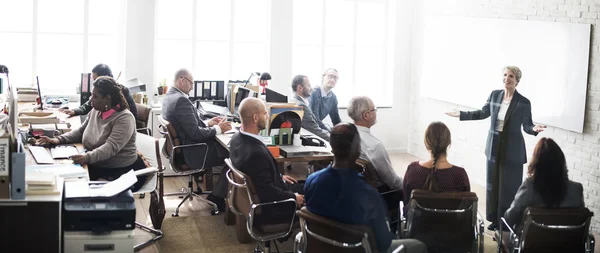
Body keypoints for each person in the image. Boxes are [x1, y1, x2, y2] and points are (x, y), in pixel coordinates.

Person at [445, 66, 546, 230]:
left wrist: (534, 129)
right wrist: (461, 114)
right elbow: (483, 113)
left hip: (512, 149)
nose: (507, 78)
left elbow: (527, 125)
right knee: (494, 185)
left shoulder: (523, 102)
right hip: (494, 146)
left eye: (511, 76)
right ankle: (495, 219)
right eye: (505, 75)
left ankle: (507, 221)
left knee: (509, 186)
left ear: (517, 81)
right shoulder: (495, 95)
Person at [304, 123, 427, 253]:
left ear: (332, 148)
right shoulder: (368, 194)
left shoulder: (312, 182)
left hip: (323, 246)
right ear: (357, 150)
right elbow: (383, 243)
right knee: (419, 246)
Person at [37, 76, 147, 191]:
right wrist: (58, 139)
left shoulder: (124, 118)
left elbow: (110, 148)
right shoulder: (96, 110)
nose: (90, 99)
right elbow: (80, 131)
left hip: (121, 172)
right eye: (91, 95)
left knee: (80, 189)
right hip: (97, 165)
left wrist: (86, 157)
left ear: (107, 98)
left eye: (95, 96)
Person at [161, 69, 232, 210]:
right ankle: (217, 196)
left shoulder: (169, 96)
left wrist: (208, 123)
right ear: (182, 80)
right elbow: (195, 134)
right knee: (234, 156)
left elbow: (187, 126)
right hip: (194, 151)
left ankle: (218, 193)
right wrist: (219, 129)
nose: (192, 87)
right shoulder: (181, 100)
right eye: (191, 83)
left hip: (183, 148)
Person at [229, 97, 304, 225]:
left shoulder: (237, 138)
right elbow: (267, 192)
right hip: (273, 208)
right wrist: (294, 197)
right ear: (255, 118)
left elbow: (258, 174)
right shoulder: (256, 153)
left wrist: (278, 175)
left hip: (263, 194)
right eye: (265, 113)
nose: (268, 116)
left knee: (310, 184)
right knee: (318, 192)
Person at [504, 138, 584, 229]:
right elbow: (580, 222)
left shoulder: (529, 187)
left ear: (536, 163)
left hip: (532, 242)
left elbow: (510, 218)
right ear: (562, 162)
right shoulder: (576, 189)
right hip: (566, 242)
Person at [402, 121, 470, 213]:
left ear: (426, 143)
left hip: (419, 226)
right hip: (452, 226)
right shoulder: (460, 175)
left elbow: (406, 201)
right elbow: (466, 208)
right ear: (448, 143)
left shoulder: (413, 169)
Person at [347, 96, 403, 203]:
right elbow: (393, 182)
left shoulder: (346, 136)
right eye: (374, 109)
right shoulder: (374, 146)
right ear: (366, 115)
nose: (376, 112)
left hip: (355, 190)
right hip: (380, 195)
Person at [60, 64, 138, 122]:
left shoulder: (121, 91)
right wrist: (75, 111)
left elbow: (131, 117)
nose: (94, 82)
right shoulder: (99, 91)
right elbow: (89, 104)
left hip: (123, 126)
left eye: (96, 79)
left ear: (105, 77)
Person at [290, 75, 330, 141]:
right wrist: (335, 141)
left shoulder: (294, 100)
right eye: (308, 86)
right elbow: (315, 130)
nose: (311, 89)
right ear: (300, 88)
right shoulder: (301, 106)